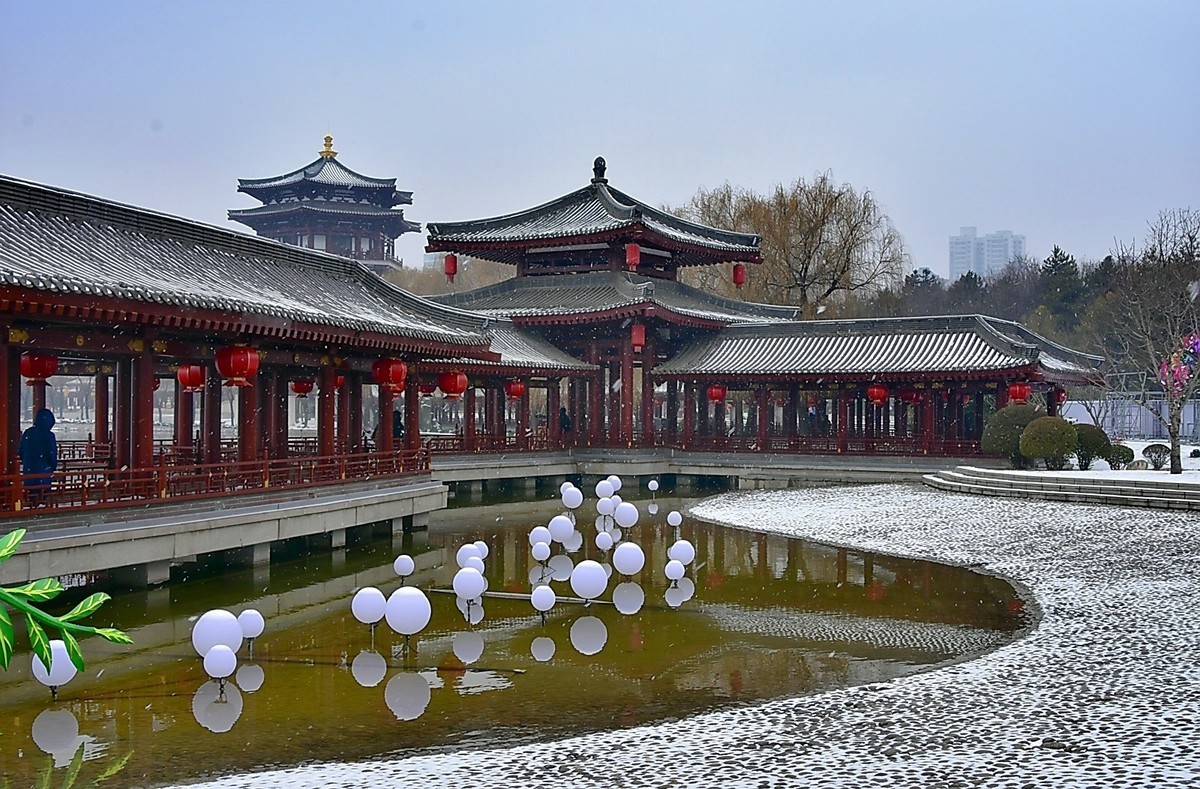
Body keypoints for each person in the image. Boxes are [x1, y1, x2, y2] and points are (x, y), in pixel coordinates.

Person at [18, 407, 58, 508]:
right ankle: (39, 508)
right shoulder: (49, 436)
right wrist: (52, 466)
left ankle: (31, 507)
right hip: (43, 471)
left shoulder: (28, 433)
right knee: (42, 494)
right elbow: (51, 453)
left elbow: (21, 450)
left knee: (31, 493)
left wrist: (27, 462)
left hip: (29, 470)